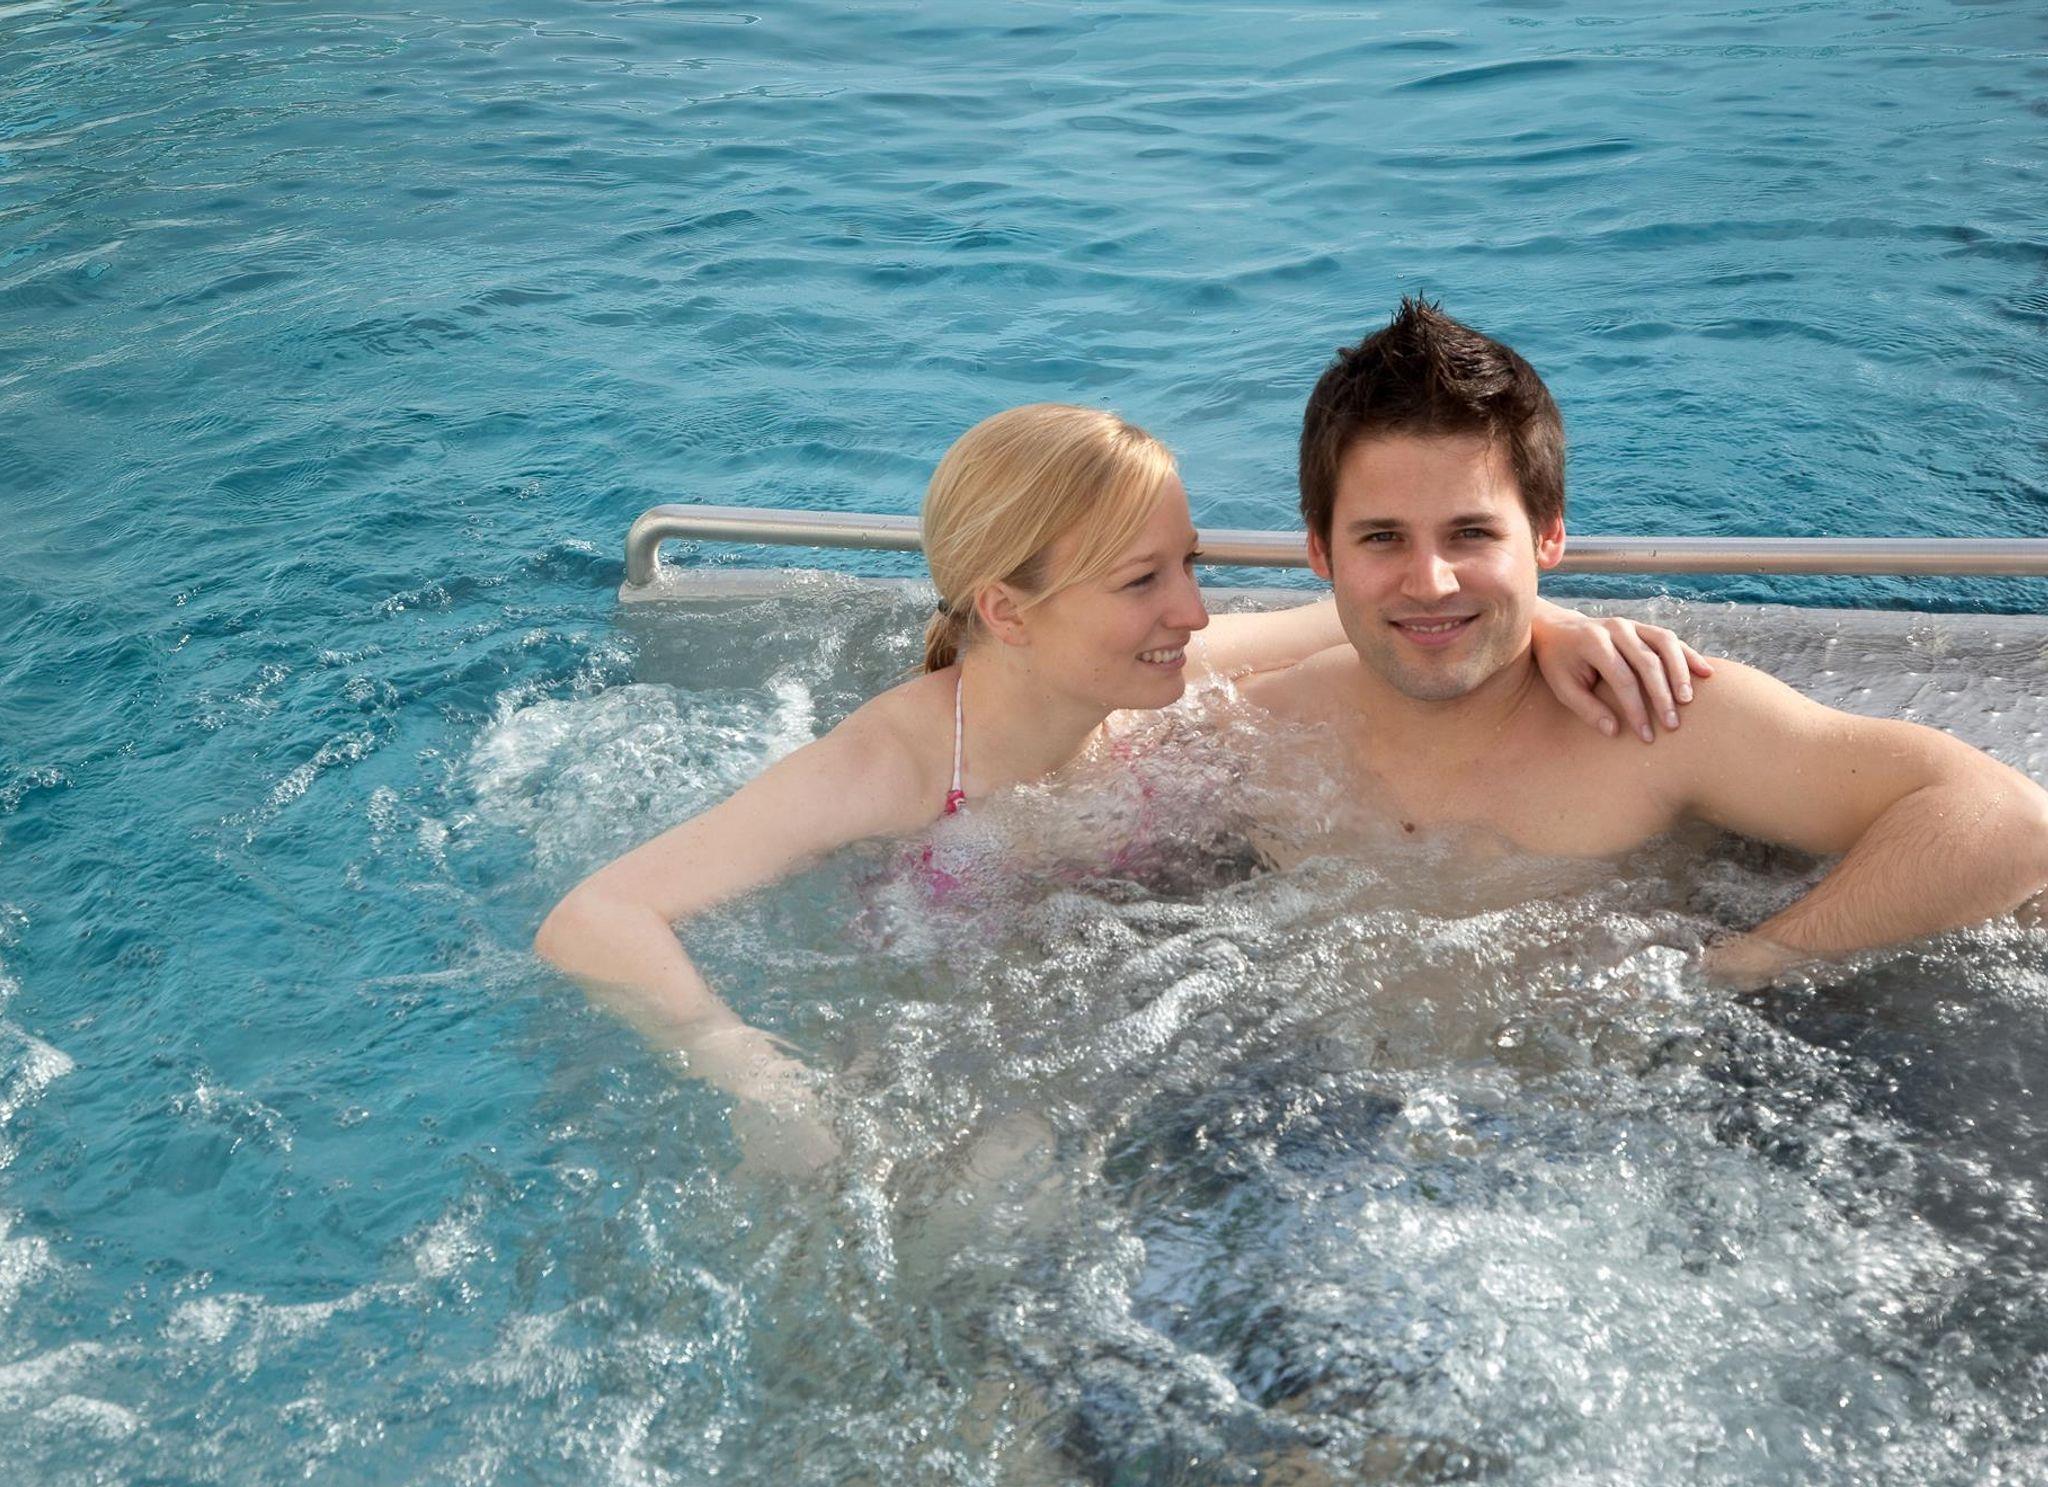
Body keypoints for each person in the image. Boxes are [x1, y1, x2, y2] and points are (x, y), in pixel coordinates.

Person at [534, 404, 1707, 1170]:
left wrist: (1550, 628)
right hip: (945, 1067)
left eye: (1189, 564)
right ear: (1006, 610)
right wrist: (754, 1071)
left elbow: (1376, 620)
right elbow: (595, 915)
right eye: (1143, 579)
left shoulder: (1151, 688)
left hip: (1126, 1045)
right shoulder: (894, 764)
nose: (1192, 610)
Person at [1244, 297, 2048, 986]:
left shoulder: (1657, 717)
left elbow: (2006, 820)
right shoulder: (1260, 726)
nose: (1430, 582)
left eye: (1472, 533)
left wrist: (1740, 969)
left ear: (1548, 538)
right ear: (1320, 550)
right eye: (1383, 537)